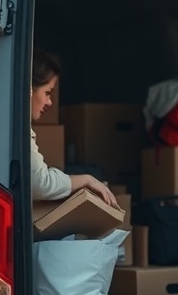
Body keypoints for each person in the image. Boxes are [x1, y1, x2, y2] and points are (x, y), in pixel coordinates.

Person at [30, 48, 118, 207]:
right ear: (29, 90)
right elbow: (40, 184)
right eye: (47, 92)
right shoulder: (16, 134)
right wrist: (87, 179)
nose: (49, 102)